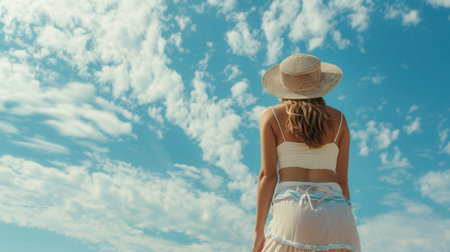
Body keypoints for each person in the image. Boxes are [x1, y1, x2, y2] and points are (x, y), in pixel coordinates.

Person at [252, 53, 361, 252]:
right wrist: (346, 218)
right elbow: (342, 181)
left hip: (293, 214)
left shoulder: (272, 116)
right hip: (338, 215)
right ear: (320, 85)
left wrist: (259, 232)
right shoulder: (340, 120)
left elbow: (267, 176)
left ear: (284, 86)